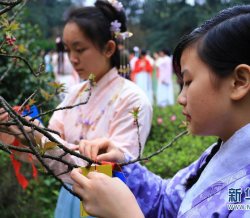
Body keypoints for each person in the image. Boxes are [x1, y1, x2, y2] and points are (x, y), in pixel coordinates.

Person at [70, 5, 250, 217]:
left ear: (239, 82)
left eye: (188, 81)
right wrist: (123, 164)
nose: (180, 98)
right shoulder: (215, 155)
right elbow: (167, 201)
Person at [0, 0, 152, 217]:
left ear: (109, 48)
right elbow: (49, 153)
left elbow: (114, 168)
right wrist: (23, 134)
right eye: (68, 49)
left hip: (109, 206)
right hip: (69, 196)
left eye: (79, 49)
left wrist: (37, 135)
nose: (72, 59)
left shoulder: (132, 100)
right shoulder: (74, 94)